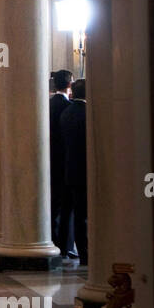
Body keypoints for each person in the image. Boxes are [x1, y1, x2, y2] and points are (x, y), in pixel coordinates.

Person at [60, 78, 87, 264]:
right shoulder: (87, 114)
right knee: (83, 215)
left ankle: (75, 248)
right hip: (85, 171)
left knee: (74, 213)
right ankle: (86, 252)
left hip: (69, 169)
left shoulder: (66, 112)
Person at [48, 70, 74, 256]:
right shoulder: (68, 108)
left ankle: (52, 238)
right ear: (69, 85)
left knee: (52, 204)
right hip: (65, 163)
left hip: (48, 161)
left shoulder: (47, 105)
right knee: (65, 206)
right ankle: (64, 245)